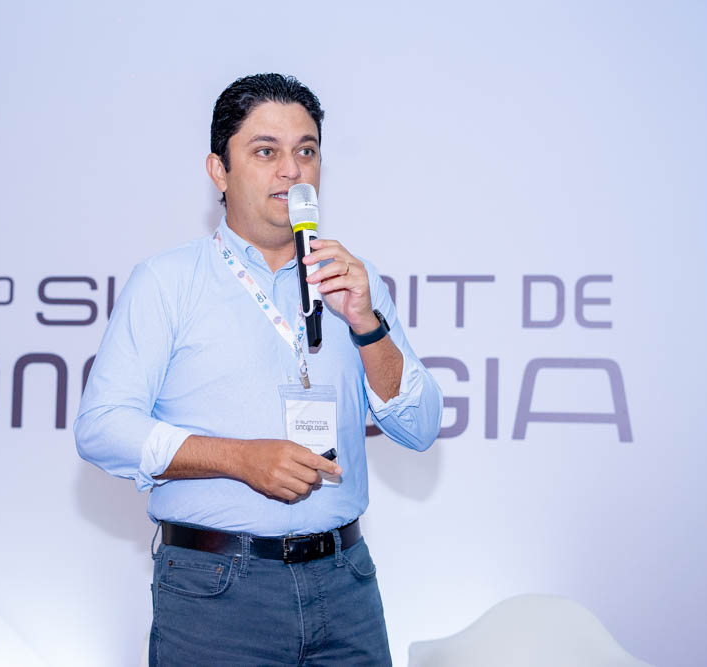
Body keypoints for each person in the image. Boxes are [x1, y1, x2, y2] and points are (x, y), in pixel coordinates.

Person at [74, 73, 443, 666]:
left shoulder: (353, 279)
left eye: (307, 151)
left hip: (345, 581)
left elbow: (420, 428)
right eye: (266, 152)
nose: (292, 171)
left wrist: (366, 323)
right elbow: (102, 428)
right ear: (219, 171)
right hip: (216, 590)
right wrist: (240, 459)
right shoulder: (167, 282)